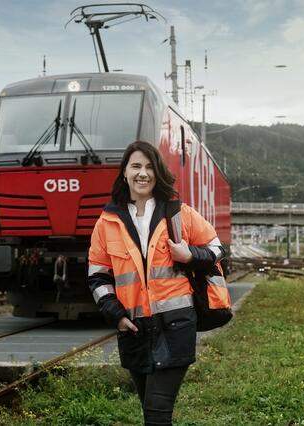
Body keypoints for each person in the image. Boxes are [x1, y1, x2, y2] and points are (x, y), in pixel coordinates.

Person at [88, 140, 226, 425]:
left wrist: (190, 255)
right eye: (136, 166)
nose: (143, 173)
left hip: (175, 325)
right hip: (134, 330)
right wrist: (115, 315)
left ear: (158, 172)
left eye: (150, 167)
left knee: (156, 414)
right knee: (150, 411)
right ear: (124, 172)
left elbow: (217, 248)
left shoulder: (178, 214)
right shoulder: (107, 222)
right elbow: (98, 276)